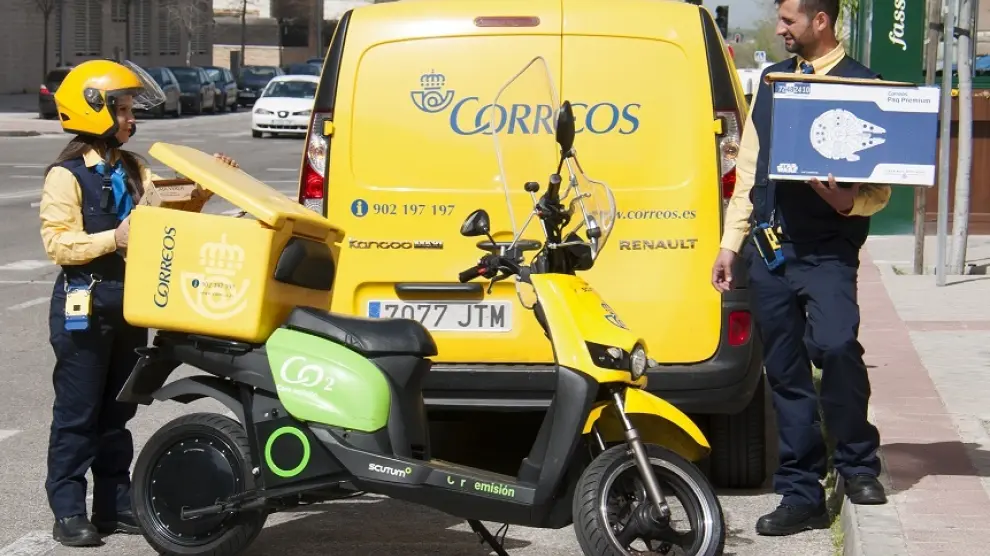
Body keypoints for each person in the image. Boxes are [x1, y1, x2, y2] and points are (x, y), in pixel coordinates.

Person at [710, 0, 892, 537]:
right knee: (786, 373)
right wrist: (730, 243)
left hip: (828, 251)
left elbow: (882, 187)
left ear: (821, 21)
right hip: (769, 250)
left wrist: (847, 202)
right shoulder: (772, 81)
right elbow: (749, 168)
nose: (779, 29)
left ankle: (857, 466)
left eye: (788, 20)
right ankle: (800, 492)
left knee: (837, 347)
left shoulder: (864, 85)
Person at [39, 58, 238, 547]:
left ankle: (113, 504)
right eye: (124, 109)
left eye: (131, 109)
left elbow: (162, 215)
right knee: (78, 414)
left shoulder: (134, 168)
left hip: (131, 304)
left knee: (118, 413)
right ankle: (69, 510)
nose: (132, 118)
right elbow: (58, 244)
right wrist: (114, 238)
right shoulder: (66, 175)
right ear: (94, 110)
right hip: (85, 306)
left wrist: (203, 191)